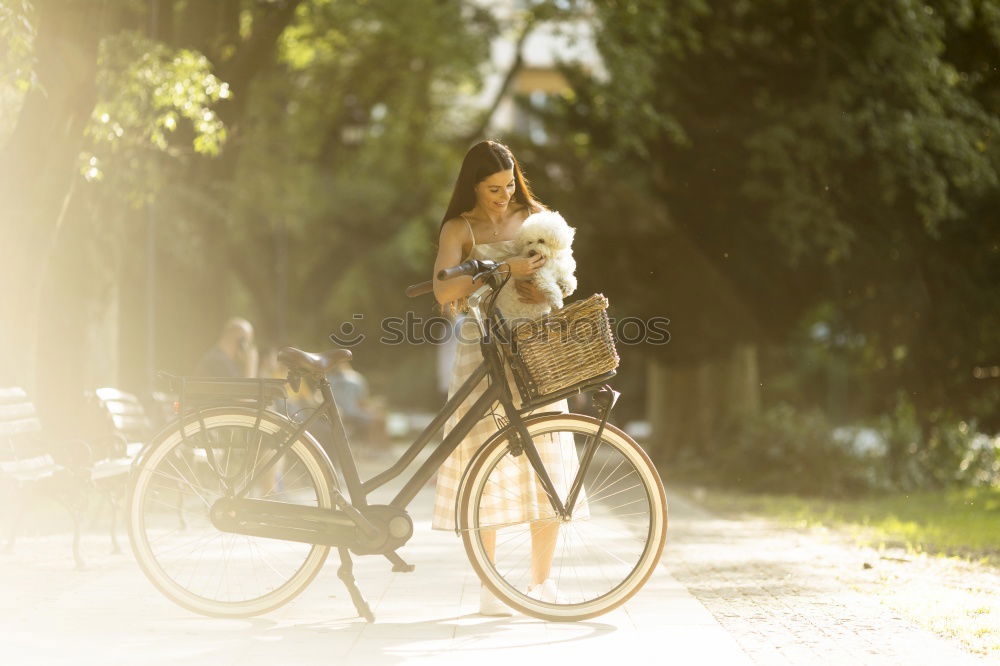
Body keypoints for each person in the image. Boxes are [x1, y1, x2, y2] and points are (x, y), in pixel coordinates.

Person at [430, 140, 579, 616]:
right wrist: (501, 269)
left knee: (546, 457)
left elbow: (563, 266)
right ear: (472, 186)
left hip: (537, 348)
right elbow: (444, 289)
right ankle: (489, 585)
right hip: (481, 349)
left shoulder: (534, 217)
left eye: (510, 184)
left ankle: (541, 582)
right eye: (494, 188)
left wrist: (541, 285)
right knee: (482, 462)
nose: (503, 194)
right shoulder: (460, 228)